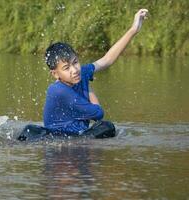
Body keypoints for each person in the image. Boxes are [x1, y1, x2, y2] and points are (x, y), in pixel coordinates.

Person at [17, 9, 148, 141]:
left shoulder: (81, 73)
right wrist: (88, 87)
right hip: (56, 137)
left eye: (75, 62)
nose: (74, 70)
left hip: (79, 135)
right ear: (55, 74)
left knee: (107, 127)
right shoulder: (57, 90)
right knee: (30, 130)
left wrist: (133, 30)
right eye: (67, 68)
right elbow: (98, 113)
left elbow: (107, 60)